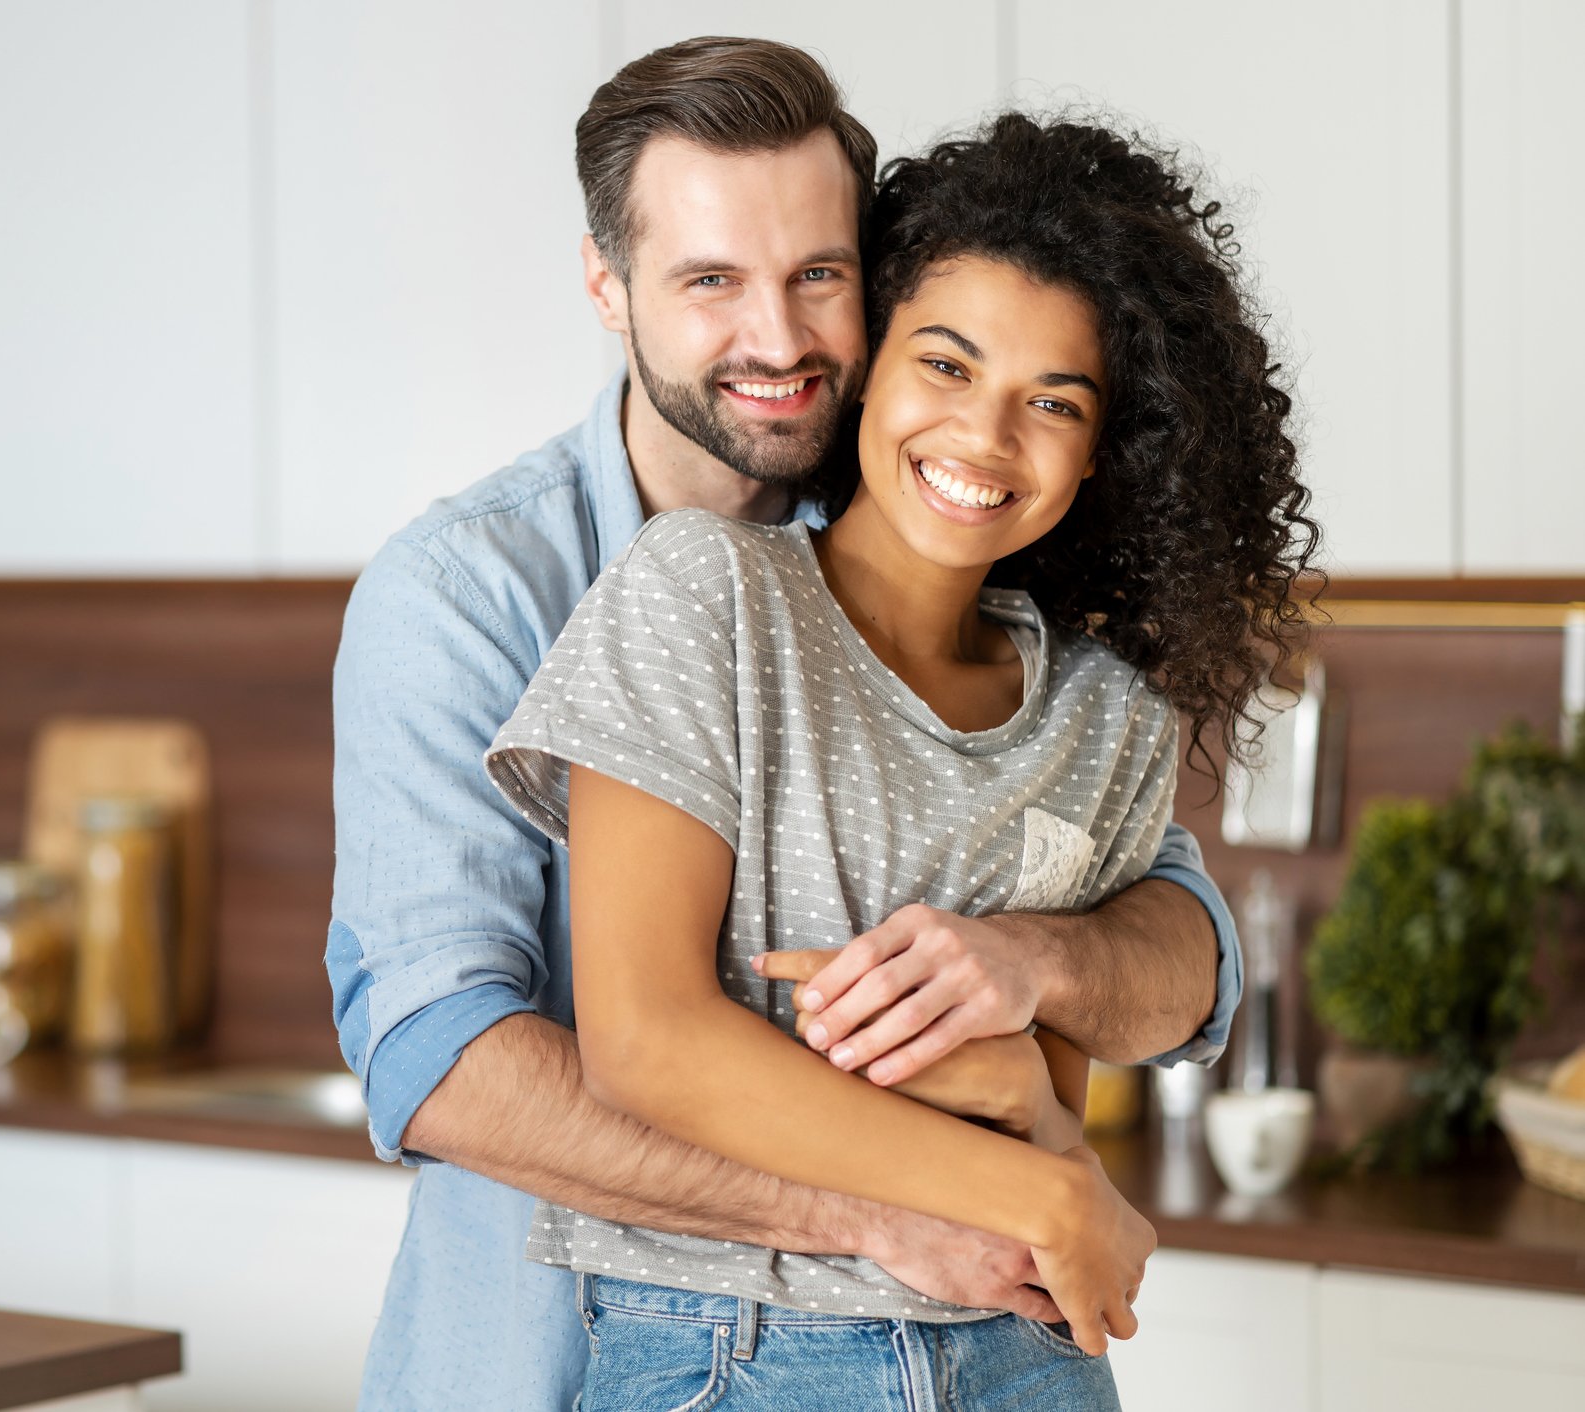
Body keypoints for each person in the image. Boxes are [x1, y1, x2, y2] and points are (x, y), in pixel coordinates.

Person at [329, 38, 1248, 1411]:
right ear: (606, 284)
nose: (774, 337)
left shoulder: (968, 565)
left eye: (815, 275)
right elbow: (444, 1061)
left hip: (993, 1338)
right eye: (708, 280)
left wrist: (1027, 977)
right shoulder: (469, 589)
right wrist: (898, 1207)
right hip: (554, 1353)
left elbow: (1165, 953)